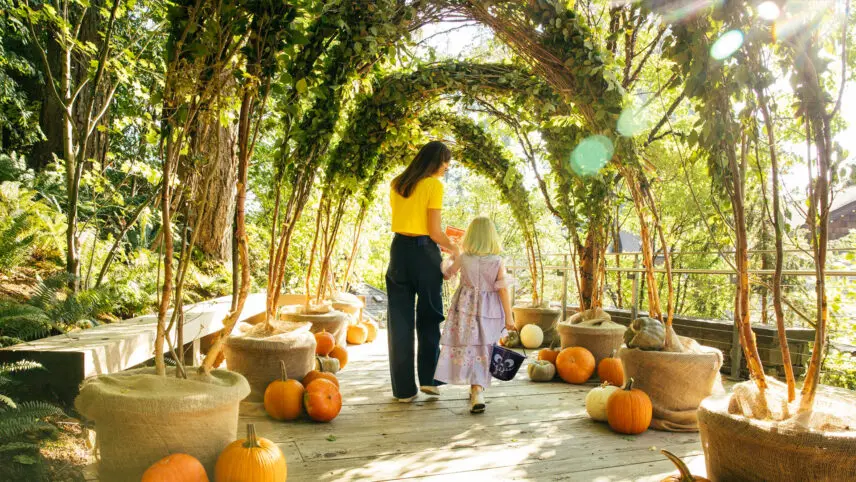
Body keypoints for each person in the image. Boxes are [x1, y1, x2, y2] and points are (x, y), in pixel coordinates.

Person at [387, 141, 460, 403]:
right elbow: (435, 232)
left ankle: (403, 390)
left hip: (398, 252)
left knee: (399, 321)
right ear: (435, 160)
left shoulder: (397, 183)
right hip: (424, 252)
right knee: (429, 316)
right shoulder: (433, 185)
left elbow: (405, 220)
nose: (447, 166)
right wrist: (455, 248)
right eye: (445, 161)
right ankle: (429, 380)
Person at [434, 216, 514, 413]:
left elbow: (447, 274)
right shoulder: (497, 262)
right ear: (491, 237)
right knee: (485, 347)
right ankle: (478, 389)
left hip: (465, 309)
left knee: (469, 346)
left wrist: (452, 256)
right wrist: (510, 317)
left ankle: (475, 387)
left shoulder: (464, 257)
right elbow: (503, 290)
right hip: (490, 311)